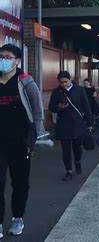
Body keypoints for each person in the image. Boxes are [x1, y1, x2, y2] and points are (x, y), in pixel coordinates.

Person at [0, 44, 48, 237]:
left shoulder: (26, 82)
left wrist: (37, 136)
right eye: (1, 56)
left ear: (17, 61)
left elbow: (37, 111)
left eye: (7, 56)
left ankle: (17, 218)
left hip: (20, 142)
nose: (3, 59)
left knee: (20, 182)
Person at [49, 71, 93, 181]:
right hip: (63, 124)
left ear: (70, 79)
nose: (63, 84)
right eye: (61, 82)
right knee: (66, 150)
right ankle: (68, 170)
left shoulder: (79, 90)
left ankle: (77, 161)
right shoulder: (57, 92)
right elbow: (51, 107)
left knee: (77, 148)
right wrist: (59, 107)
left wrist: (89, 123)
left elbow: (86, 107)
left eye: (65, 82)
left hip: (77, 124)